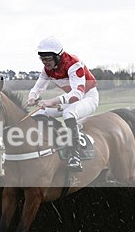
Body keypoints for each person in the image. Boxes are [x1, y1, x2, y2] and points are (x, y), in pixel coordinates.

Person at [26, 36, 98, 172]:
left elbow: (77, 94)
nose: (45, 63)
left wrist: (50, 102)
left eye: (48, 59)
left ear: (58, 56)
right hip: (70, 99)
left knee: (68, 113)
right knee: (39, 112)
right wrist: (32, 97)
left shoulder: (74, 64)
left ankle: (75, 156)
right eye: (42, 59)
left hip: (87, 97)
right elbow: (38, 87)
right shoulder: (47, 69)